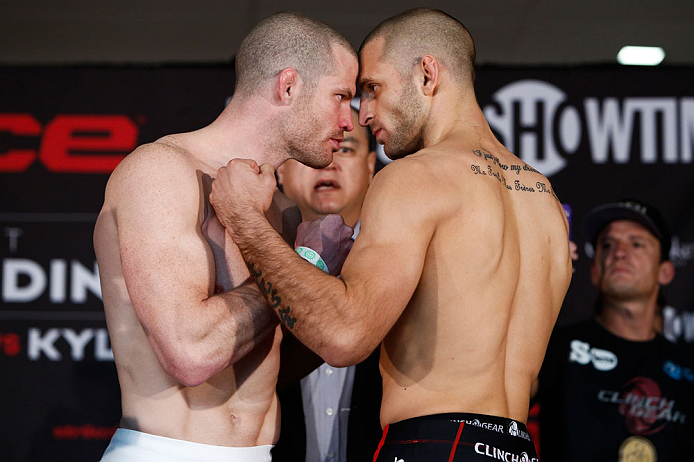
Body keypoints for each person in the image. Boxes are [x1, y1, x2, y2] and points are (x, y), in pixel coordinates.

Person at [209, 8, 572, 462]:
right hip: (516, 448)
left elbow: (345, 335)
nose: (365, 115)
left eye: (374, 89)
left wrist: (245, 221)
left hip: (434, 444)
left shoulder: (415, 177)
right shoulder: (545, 200)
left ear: (427, 73)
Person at [92, 12, 358, 462]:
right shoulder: (161, 172)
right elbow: (191, 354)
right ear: (288, 86)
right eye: (340, 96)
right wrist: (306, 263)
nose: (349, 121)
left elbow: (270, 362)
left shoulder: (283, 211)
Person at [536, 199, 694, 461]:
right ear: (595, 271)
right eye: (607, 245)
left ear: (665, 272)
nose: (619, 252)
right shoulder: (559, 345)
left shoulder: (688, 368)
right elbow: (502, 397)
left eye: (636, 243)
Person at [272, 100, 383, 462]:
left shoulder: (406, 263)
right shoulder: (249, 259)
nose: (329, 161)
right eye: (311, 150)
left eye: (345, 148)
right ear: (280, 171)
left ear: (370, 167)